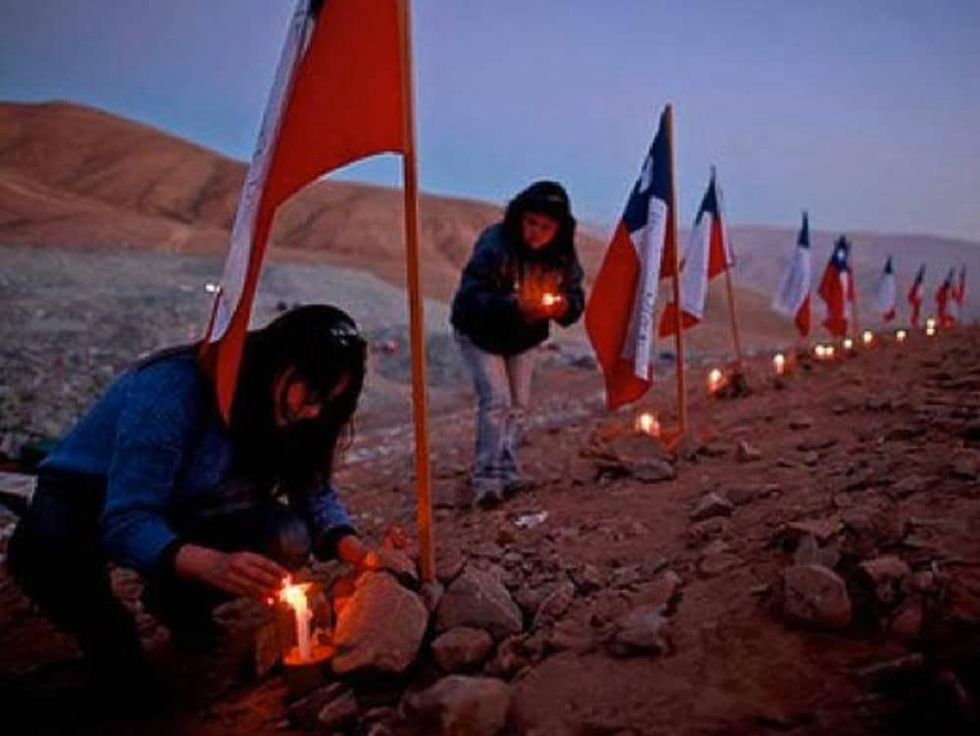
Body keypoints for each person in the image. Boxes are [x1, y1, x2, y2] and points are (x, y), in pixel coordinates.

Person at [7, 304, 378, 688]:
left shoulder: (292, 411)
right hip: (79, 509)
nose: (315, 412)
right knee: (119, 664)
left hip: (182, 504)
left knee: (287, 536)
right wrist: (210, 563)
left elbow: (313, 493)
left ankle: (176, 601)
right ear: (279, 362)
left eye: (328, 403)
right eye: (313, 393)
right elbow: (126, 517)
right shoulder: (174, 390)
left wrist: (361, 555)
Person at [450, 181, 585, 507]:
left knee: (518, 404)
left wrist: (563, 306)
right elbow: (470, 297)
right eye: (531, 223)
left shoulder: (563, 255)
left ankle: (508, 472)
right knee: (496, 401)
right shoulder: (495, 244)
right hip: (480, 334)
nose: (536, 233)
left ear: (558, 228)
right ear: (519, 217)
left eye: (545, 227)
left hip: (524, 338)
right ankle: (487, 480)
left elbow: (576, 297)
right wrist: (513, 305)